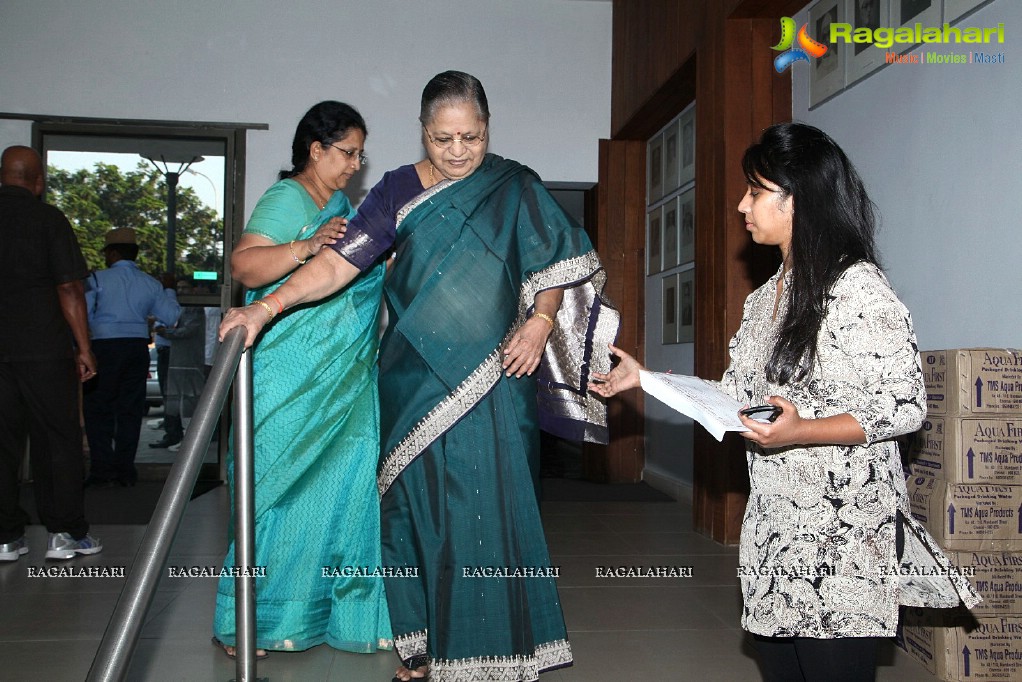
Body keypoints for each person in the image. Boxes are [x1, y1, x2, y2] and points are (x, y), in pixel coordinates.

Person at [219, 71, 619, 681]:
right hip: (411, 381)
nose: (459, 151)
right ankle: (421, 644)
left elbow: (557, 261)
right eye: (443, 139)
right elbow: (335, 266)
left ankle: (497, 647)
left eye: (471, 137)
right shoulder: (394, 192)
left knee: (489, 507)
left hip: (495, 378)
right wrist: (264, 306)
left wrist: (540, 320)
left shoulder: (515, 185)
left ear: (487, 129)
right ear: (422, 132)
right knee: (417, 510)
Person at [587, 123, 980, 682]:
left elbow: (904, 405)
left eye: (755, 190)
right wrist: (644, 381)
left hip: (843, 537)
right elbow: (740, 398)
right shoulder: (765, 298)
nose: (742, 203)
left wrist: (801, 432)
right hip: (775, 530)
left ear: (797, 199)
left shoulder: (857, 288)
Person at [211, 101, 392, 658]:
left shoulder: (340, 207)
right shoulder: (288, 198)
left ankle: (346, 611)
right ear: (315, 149)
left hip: (344, 378)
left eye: (360, 155)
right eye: (347, 152)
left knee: (347, 489)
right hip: (289, 375)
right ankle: (251, 619)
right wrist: (306, 247)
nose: (355, 165)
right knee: (278, 492)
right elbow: (245, 267)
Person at [0, 145, 102, 560]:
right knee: (56, 441)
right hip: (43, 349)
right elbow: (68, 288)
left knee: (1, 444)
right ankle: (64, 534)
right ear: (38, 182)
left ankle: (5, 537)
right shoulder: (48, 219)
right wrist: (84, 347)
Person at [83, 227, 180, 487]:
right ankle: (124, 471)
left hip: (103, 347)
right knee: (129, 411)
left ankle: (101, 470)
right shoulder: (150, 283)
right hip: (136, 348)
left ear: (112, 253)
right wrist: (169, 289)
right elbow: (172, 317)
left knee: (98, 410)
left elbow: (84, 314)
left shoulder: (96, 279)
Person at [152, 280, 206, 451]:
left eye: (185, 288)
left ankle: (183, 436)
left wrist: (166, 332)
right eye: (179, 288)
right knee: (169, 396)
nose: (182, 291)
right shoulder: (171, 306)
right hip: (167, 353)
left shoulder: (193, 307)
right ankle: (172, 433)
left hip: (183, 358)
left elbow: (188, 330)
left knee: (184, 397)